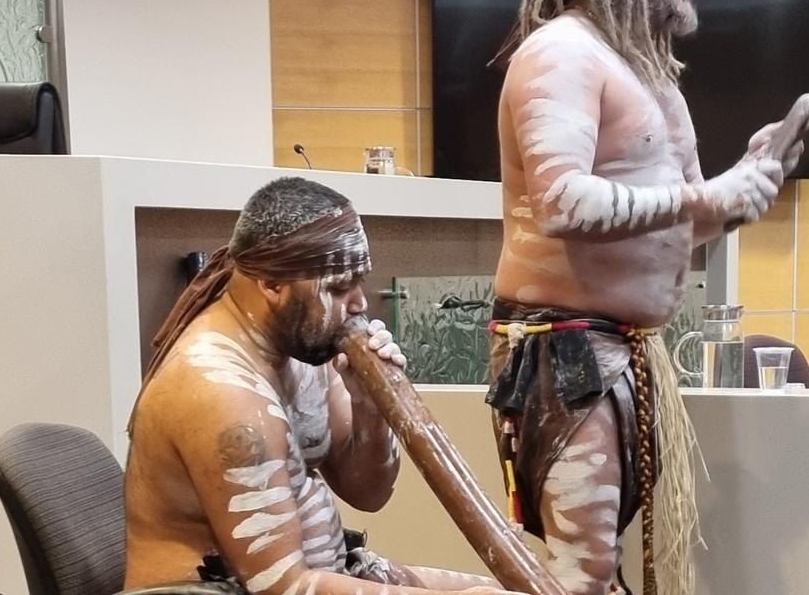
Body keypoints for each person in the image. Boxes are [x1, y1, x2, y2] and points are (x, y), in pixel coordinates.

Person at [486, 0, 809, 594]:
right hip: (564, 349)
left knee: (599, 569)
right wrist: (708, 193)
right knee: (583, 573)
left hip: (621, 352)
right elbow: (561, 202)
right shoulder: (561, 54)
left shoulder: (651, 75)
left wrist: (747, 185)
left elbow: (684, 218)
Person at [125, 177, 520, 595]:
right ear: (272, 284)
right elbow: (282, 587)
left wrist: (368, 404)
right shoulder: (221, 393)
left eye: (359, 280)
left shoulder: (301, 346)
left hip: (313, 577)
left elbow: (367, 493)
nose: (359, 303)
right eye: (337, 287)